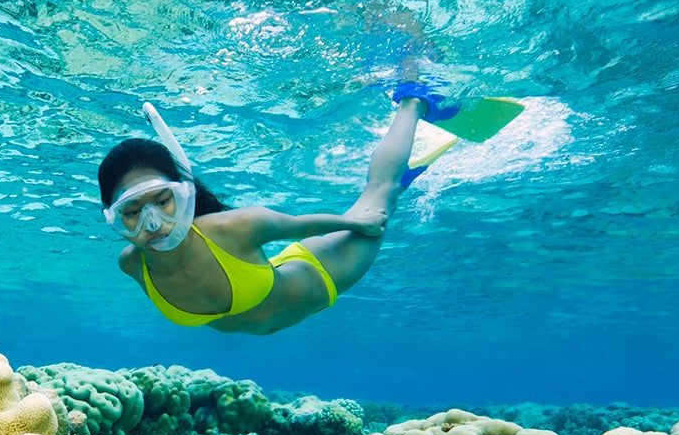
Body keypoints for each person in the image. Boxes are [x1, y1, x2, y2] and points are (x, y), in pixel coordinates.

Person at [98, 86, 457, 335]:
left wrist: (356, 222)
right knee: (387, 192)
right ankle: (405, 171)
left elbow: (300, 226)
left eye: (163, 202)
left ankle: (414, 100)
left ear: (184, 195)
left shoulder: (233, 226)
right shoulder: (131, 264)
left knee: (382, 194)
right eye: (132, 212)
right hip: (280, 284)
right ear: (113, 217)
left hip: (323, 274)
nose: (154, 223)